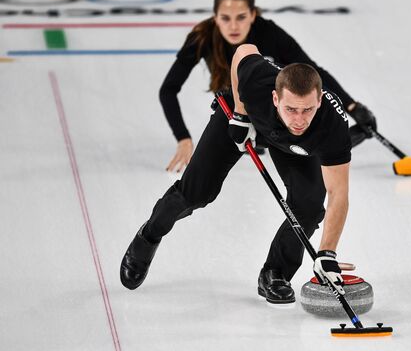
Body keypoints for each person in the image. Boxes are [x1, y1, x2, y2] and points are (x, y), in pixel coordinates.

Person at [121, 43, 352, 304]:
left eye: (307, 109)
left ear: (319, 100)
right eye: (291, 109)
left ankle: (275, 273)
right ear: (276, 98)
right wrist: (241, 115)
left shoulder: (332, 124)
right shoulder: (259, 82)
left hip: (289, 145)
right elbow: (243, 51)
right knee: (197, 192)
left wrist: (327, 254)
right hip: (244, 118)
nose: (299, 119)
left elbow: (338, 192)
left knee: (309, 205)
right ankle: (149, 235)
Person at [162, 0, 377, 173]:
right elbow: (168, 89)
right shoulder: (202, 37)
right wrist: (183, 138)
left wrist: (351, 106)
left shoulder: (269, 33)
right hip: (232, 108)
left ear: (253, 15)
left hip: (276, 109)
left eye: (241, 17)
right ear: (215, 18)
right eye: (225, 18)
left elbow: (313, 72)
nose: (234, 26)